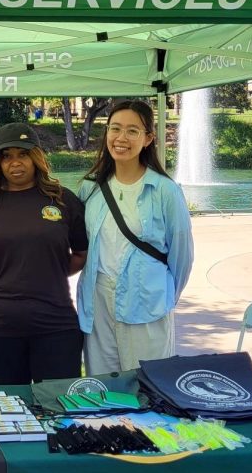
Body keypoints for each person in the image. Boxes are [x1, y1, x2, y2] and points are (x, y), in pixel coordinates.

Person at [0, 123, 88, 384]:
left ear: (36, 156)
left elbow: (81, 254)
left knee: (59, 409)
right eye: (7, 156)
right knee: (12, 413)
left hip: (55, 324)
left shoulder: (62, 200)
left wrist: (45, 270)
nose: (15, 163)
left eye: (22, 154)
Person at [75, 99, 194, 375]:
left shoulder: (165, 191)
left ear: (148, 138)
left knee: (149, 386)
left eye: (132, 131)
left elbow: (182, 256)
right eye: (115, 129)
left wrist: (162, 295)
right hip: (98, 302)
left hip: (146, 302)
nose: (121, 138)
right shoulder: (90, 189)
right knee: (104, 386)